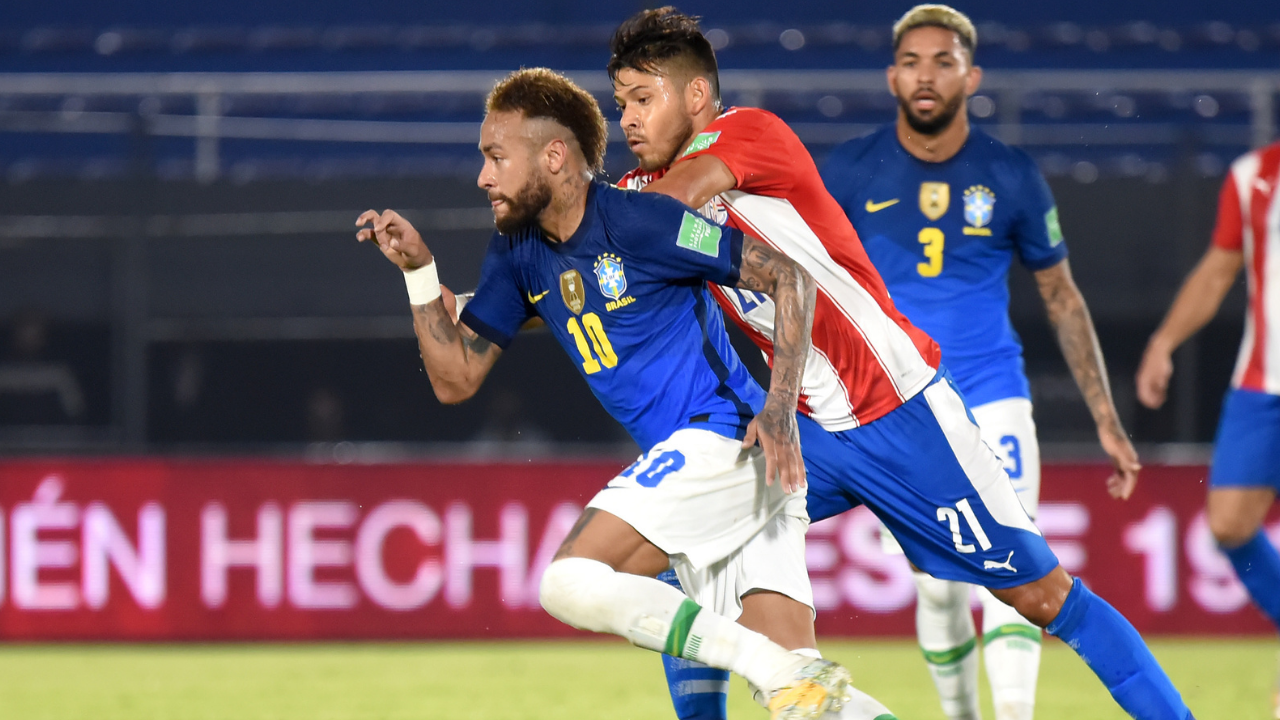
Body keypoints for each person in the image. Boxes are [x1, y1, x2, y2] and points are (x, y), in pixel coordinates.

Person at [604, 7, 1192, 720]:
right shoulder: (641, 193)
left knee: (1041, 598)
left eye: (643, 99)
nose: (627, 120)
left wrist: (584, 220)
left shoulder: (747, 132)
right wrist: (481, 303)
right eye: (620, 105)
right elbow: (590, 275)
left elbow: (655, 218)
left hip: (903, 413)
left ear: (696, 97)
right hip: (810, 431)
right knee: (676, 550)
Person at [356, 66, 861, 720]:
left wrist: (781, 406)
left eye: (496, 157)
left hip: (725, 442)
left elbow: (787, 276)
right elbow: (456, 379)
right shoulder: (517, 255)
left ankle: (769, 666)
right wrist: (421, 274)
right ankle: (785, 673)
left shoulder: (641, 222)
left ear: (555, 156)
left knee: (569, 581)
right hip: (705, 475)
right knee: (805, 699)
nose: (483, 176)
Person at [818, 6, 1141, 720]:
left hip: (993, 394)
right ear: (891, 75)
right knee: (937, 585)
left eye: (942, 60)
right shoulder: (848, 168)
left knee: (1016, 562)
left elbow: (1060, 296)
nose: (925, 75)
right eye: (912, 61)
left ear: (973, 75)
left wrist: (1107, 420)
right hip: (897, 405)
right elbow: (806, 281)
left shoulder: (1012, 174)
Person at [1136, 137, 1280, 720]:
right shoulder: (1254, 176)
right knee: (1228, 523)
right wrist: (1164, 342)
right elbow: (1221, 267)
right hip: (1262, 382)